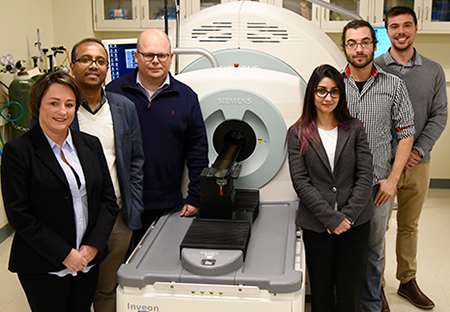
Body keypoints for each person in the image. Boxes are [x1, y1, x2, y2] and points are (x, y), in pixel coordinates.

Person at [1, 71, 119, 312]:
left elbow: (108, 201)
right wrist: (64, 253)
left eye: (69, 104)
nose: (62, 111)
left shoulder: (89, 144)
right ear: (37, 105)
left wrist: (93, 246)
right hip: (42, 265)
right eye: (53, 103)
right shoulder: (19, 152)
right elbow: (19, 215)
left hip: (87, 261)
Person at [374, 6, 447, 310]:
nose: (401, 31)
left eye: (406, 25)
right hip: (383, 164)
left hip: (418, 163)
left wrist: (417, 150)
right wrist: (392, 155)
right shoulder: (376, 67)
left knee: (409, 224)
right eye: (394, 26)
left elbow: (439, 114)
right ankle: (374, 284)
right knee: (378, 227)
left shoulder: (433, 70)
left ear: (416, 28)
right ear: (387, 30)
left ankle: (407, 280)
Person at [106, 29, 209, 244]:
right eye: (148, 55)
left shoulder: (186, 97)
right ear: (136, 56)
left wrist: (195, 196)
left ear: (171, 58)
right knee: (119, 268)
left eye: (162, 55)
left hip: (167, 203)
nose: (155, 61)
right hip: (120, 202)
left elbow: (197, 152)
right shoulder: (114, 93)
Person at [340, 20, 416, 312]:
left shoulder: (393, 85)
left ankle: (371, 304)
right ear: (345, 47)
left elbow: (406, 132)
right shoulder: (334, 85)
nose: (358, 49)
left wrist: (392, 180)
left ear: (374, 45)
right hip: (341, 185)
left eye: (364, 42)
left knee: (373, 250)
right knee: (342, 248)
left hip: (378, 186)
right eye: (352, 43)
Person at [287, 64, 374, 312]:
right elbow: (301, 181)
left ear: (341, 95)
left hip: (355, 223)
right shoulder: (298, 133)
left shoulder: (355, 128)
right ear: (312, 94)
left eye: (334, 91)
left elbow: (365, 174)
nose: (328, 97)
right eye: (322, 91)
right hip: (317, 224)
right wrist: (331, 218)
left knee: (349, 290)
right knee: (321, 291)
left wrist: (347, 216)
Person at [70, 38, 145, 312]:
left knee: (107, 289)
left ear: (107, 68)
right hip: (73, 219)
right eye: (86, 59)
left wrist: (133, 204)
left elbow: (135, 160)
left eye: (101, 61)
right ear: (73, 65)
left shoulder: (123, 107)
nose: (94, 66)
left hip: (116, 216)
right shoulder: (60, 109)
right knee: (75, 289)